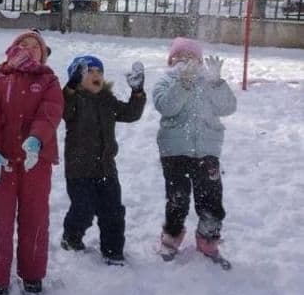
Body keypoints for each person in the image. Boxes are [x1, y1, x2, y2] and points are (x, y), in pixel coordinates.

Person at [0, 30, 63, 295]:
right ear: (12, 49)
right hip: (1, 163)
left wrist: (37, 139)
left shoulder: (49, 80)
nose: (29, 48)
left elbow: (50, 113)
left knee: (35, 218)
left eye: (35, 46)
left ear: (44, 54)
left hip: (35, 162)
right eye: (23, 44)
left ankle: (33, 273)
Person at [154, 38, 236, 268]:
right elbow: (167, 106)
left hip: (207, 151)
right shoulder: (166, 81)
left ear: (200, 62)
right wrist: (183, 83)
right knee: (177, 199)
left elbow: (228, 107)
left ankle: (208, 240)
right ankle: (171, 238)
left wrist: (218, 82)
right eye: (179, 57)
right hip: (175, 151)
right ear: (171, 61)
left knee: (211, 198)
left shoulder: (209, 83)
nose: (185, 62)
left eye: (191, 58)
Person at [60, 55, 146, 266]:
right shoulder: (74, 100)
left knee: (113, 212)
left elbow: (130, 114)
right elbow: (62, 110)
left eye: (99, 71)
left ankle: (113, 250)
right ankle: (71, 236)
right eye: (90, 72)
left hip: (107, 168)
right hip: (79, 170)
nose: (96, 75)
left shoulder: (107, 100)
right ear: (77, 77)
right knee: (83, 210)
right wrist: (70, 88)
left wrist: (137, 92)